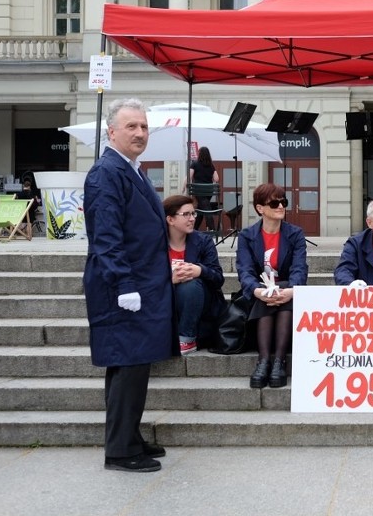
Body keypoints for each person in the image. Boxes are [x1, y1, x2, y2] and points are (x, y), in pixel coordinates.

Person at [83, 98, 174, 473]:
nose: (140, 133)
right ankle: (120, 451)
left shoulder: (130, 169)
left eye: (144, 127)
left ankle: (129, 437)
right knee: (126, 366)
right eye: (132, 127)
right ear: (112, 132)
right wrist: (124, 284)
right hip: (123, 288)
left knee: (135, 366)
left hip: (143, 285)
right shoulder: (106, 172)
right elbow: (106, 236)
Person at [236, 183, 308, 389]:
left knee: (282, 286)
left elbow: (299, 268)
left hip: (289, 295)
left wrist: (291, 291)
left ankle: (277, 360)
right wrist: (258, 291)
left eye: (283, 202)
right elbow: (245, 271)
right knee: (268, 290)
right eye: (274, 203)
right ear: (260, 208)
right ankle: (266, 360)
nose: (280, 207)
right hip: (258, 296)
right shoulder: (247, 236)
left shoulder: (295, 234)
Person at [163, 194, 227, 355]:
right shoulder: (155, 244)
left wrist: (200, 270)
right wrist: (170, 280)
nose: (192, 218)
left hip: (201, 304)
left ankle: (187, 339)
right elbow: (144, 280)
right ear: (170, 220)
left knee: (191, 284)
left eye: (193, 213)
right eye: (186, 214)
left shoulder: (203, 241)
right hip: (167, 303)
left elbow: (219, 279)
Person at [185, 146, 220, 232]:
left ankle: (212, 229)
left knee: (205, 208)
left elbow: (189, 176)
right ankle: (194, 229)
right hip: (209, 192)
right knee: (202, 208)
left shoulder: (195, 164)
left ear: (199, 154)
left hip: (198, 191)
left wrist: (184, 187)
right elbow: (216, 178)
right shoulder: (211, 165)